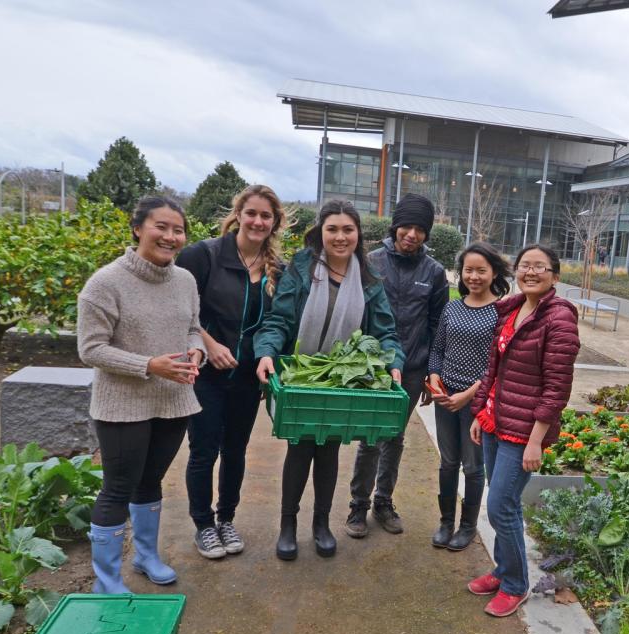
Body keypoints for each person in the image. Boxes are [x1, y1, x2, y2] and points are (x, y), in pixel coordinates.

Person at [254, 199, 403, 561]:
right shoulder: (302, 268)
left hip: (340, 377)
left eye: (347, 229)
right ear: (320, 232)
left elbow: (386, 332)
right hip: (302, 374)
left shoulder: (369, 278)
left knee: (329, 448)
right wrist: (267, 351)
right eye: (332, 229)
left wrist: (393, 362)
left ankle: (321, 524)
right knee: (300, 446)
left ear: (358, 235)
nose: (340, 236)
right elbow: (279, 319)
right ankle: (288, 525)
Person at [77, 196, 205, 594]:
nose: (170, 236)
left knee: (151, 480)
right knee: (117, 486)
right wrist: (149, 365)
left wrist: (196, 347)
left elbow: (193, 326)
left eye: (178, 229)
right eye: (160, 227)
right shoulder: (105, 283)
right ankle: (106, 580)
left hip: (172, 400)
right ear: (137, 229)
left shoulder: (184, 281)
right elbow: (90, 349)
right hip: (122, 405)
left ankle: (146, 555)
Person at [466, 244, 579, 617]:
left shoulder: (559, 319)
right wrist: (481, 412)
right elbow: (492, 369)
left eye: (539, 267)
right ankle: (503, 570)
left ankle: (516, 586)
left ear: (555, 276)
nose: (530, 272)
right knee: (501, 504)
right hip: (498, 421)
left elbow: (557, 387)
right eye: (524, 265)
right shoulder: (512, 309)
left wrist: (536, 441)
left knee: (501, 506)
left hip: (524, 432)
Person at [176, 185, 284, 560]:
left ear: (274, 223)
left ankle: (226, 519)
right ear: (238, 214)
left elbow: (277, 323)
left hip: (246, 379)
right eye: (251, 213)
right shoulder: (203, 256)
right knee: (204, 449)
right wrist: (208, 343)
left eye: (265, 216)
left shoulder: (276, 271)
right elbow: (180, 309)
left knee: (236, 450)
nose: (257, 221)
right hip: (205, 373)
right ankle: (203, 525)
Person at [347, 193, 449, 538]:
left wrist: (430, 374)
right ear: (395, 226)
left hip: (413, 369)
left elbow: (437, 325)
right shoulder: (371, 262)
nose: (412, 234)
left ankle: (383, 501)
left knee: (395, 436)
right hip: (374, 368)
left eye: (420, 229)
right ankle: (358, 505)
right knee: (371, 437)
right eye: (407, 225)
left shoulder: (434, 272)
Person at [426, 242, 511, 551]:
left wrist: (469, 395)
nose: (473, 276)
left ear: (494, 273)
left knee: (473, 467)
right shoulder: (453, 306)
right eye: (468, 270)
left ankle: (467, 526)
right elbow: (437, 349)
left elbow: (498, 364)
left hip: (477, 401)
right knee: (448, 462)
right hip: (445, 397)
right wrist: (434, 377)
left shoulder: (501, 312)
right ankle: (446, 521)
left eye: (481, 270)